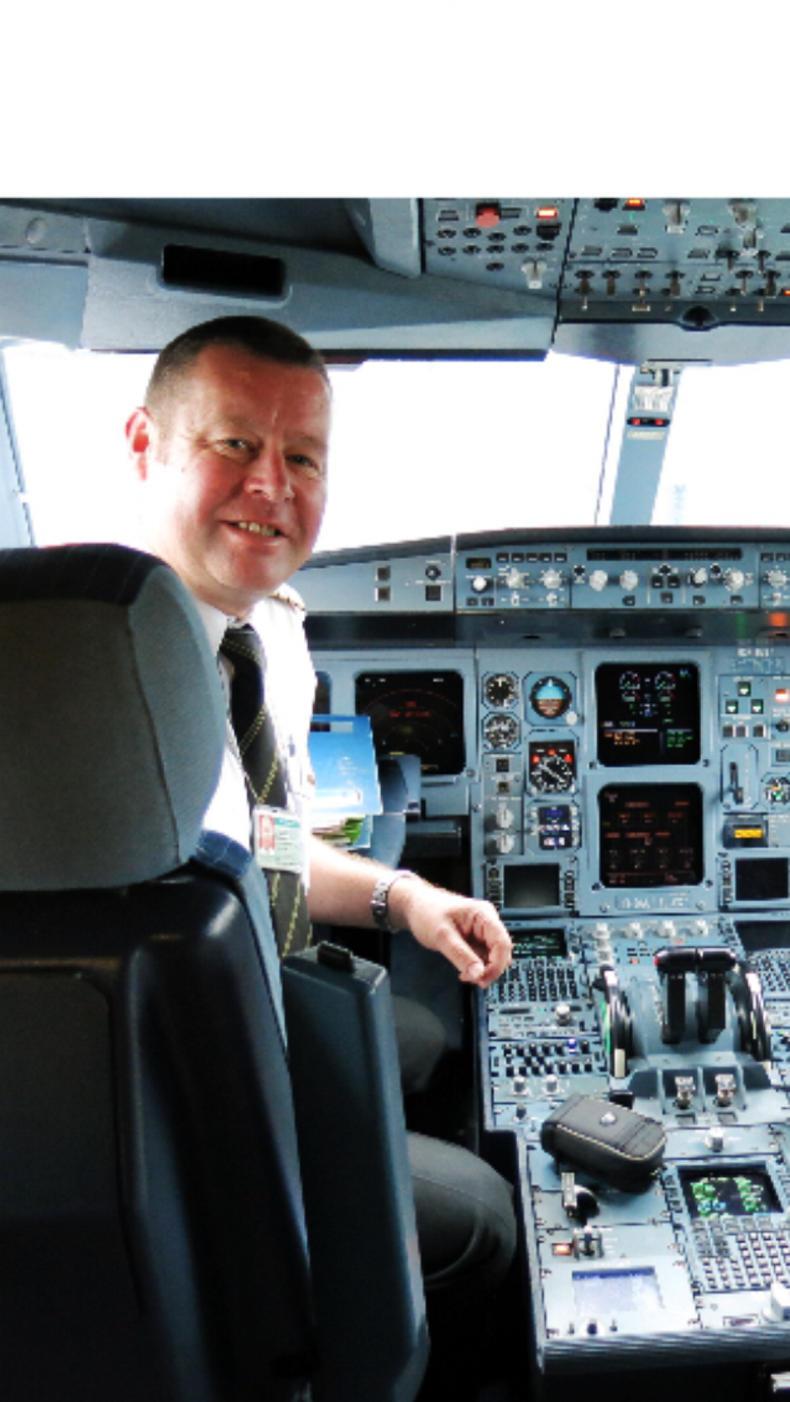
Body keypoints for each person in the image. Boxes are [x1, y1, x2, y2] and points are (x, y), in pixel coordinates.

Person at [125, 316, 517, 1370]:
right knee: (485, 1215)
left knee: (427, 1037)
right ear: (145, 446)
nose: (272, 485)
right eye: (233, 444)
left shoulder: (272, 633)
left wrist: (405, 896)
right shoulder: (91, 677)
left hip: (263, 1000)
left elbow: (274, 842)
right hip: (174, 1099)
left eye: (302, 458)